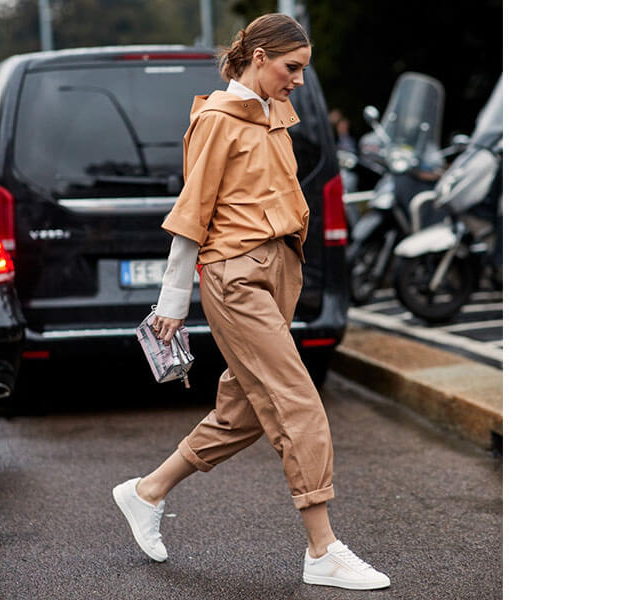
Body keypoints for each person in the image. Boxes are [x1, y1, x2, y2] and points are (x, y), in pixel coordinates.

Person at [112, 13, 391, 591]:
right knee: (297, 403)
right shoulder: (218, 119)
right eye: (291, 68)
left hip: (277, 271)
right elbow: (193, 214)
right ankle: (323, 549)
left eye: (303, 71)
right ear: (259, 55)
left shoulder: (269, 116)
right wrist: (173, 300)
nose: (298, 81)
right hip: (235, 277)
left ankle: (147, 492)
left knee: (242, 413)